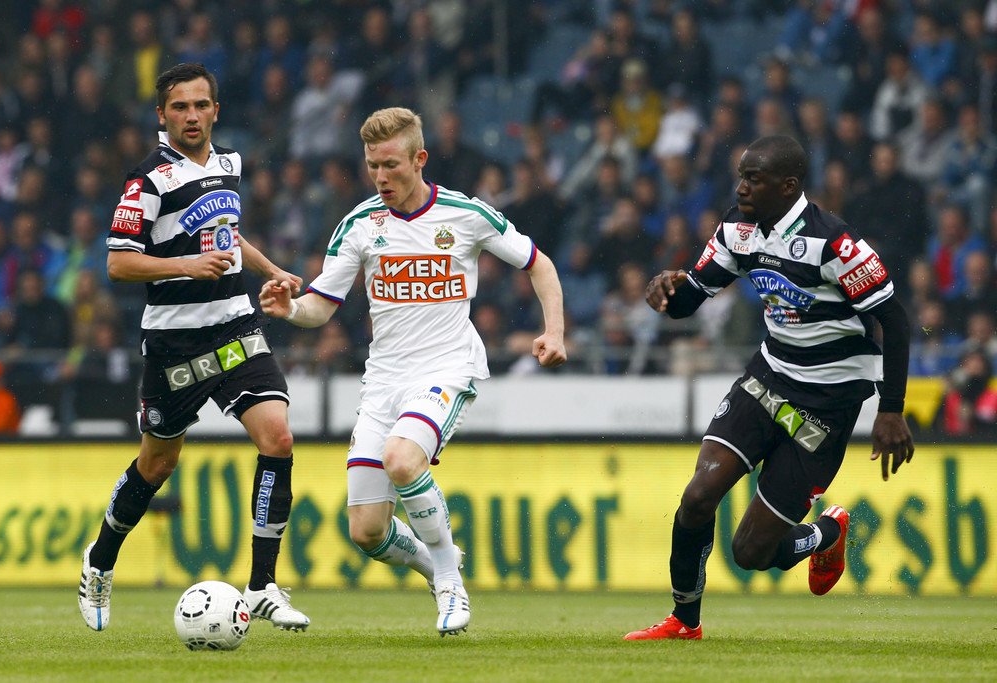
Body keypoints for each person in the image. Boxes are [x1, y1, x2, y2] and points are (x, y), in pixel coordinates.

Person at [259, 107, 567, 636]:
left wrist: (554, 331)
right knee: (366, 531)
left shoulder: (465, 214)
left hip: (447, 367)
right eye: (372, 166)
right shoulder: (359, 224)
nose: (380, 177)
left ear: (419, 159)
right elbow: (321, 306)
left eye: (391, 165)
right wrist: (291, 309)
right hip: (384, 381)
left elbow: (539, 263)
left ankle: (449, 580)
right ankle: (434, 562)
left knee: (401, 460)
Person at [624, 135, 914, 641]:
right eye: (741, 176)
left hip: (828, 401)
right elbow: (692, 297)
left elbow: (895, 320)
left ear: (788, 186)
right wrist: (667, 290)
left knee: (751, 552)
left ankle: (826, 532)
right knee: (698, 496)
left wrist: (891, 409)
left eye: (753, 179)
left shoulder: (834, 243)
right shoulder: (737, 231)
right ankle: (684, 621)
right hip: (769, 378)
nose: (741, 188)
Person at [78, 63, 309, 633]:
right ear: (162, 115)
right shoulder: (147, 181)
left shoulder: (230, 164)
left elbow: (229, 235)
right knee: (157, 464)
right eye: (179, 107)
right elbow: (118, 263)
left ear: (215, 111)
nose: (191, 116)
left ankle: (261, 585)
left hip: (233, 329)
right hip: (174, 345)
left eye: (201, 105)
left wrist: (273, 270)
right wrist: (186, 264)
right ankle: (100, 561)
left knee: (277, 438)